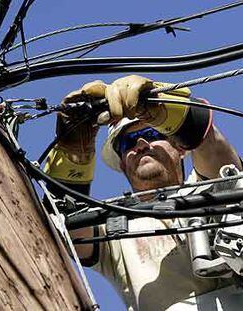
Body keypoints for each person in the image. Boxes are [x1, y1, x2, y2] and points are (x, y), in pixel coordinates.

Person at [44, 75, 243, 310]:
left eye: (152, 135)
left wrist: (160, 107)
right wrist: (73, 156)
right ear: (122, 164)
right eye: (128, 142)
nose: (140, 144)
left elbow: (211, 148)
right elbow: (65, 225)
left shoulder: (207, 189)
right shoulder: (114, 224)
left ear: (180, 148)